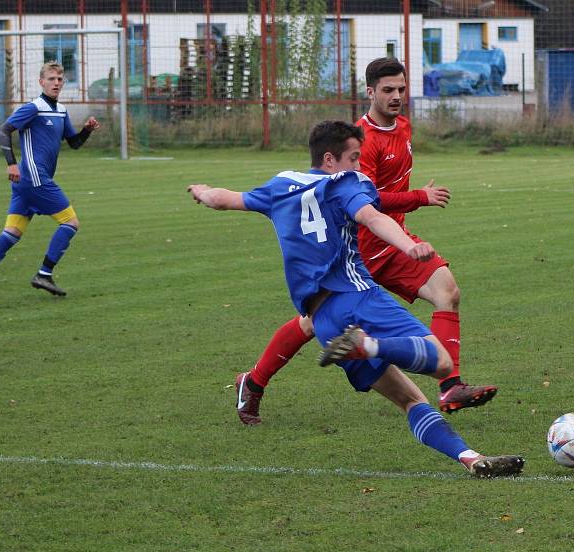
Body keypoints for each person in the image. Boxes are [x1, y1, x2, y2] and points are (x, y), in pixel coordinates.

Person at [188, 120, 524, 478]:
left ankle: (470, 458)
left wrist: (203, 189)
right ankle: (368, 345)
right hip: (358, 298)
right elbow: (371, 216)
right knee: (442, 363)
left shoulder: (280, 186)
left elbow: (224, 199)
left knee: (410, 400)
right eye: (353, 158)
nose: (359, 167)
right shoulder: (343, 184)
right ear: (330, 160)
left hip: (324, 322)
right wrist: (409, 246)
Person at [234, 57, 495, 426]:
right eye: (388, 90)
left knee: (447, 291)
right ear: (370, 92)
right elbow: (367, 200)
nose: (397, 96)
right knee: (311, 325)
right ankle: (254, 382)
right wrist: (420, 197)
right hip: (357, 252)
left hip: (396, 241)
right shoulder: (361, 142)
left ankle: (451, 386)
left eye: (402, 89)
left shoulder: (402, 126)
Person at [0, 61, 100, 300]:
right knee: (70, 223)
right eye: (51, 79)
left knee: (12, 232)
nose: (56, 83)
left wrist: (86, 130)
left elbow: (74, 144)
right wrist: (11, 163)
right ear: (41, 82)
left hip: (26, 184)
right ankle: (44, 274)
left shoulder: (61, 111)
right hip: (34, 178)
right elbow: (3, 131)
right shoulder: (33, 108)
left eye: (59, 79)